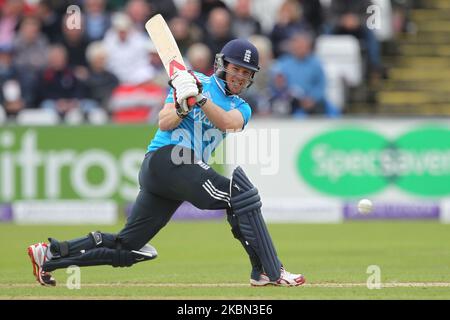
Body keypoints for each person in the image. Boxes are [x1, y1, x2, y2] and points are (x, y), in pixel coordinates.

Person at [27, 39, 306, 287]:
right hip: (167, 158)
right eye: (236, 68)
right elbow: (164, 120)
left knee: (129, 247)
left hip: (174, 175)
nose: (240, 76)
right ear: (223, 64)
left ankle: (50, 255)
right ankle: (271, 270)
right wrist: (184, 103)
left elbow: (228, 124)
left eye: (246, 73)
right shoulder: (192, 79)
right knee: (240, 195)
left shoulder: (240, 107)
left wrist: (200, 99)